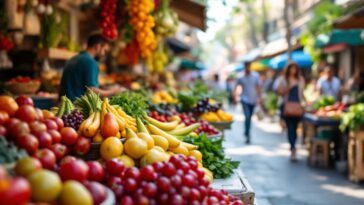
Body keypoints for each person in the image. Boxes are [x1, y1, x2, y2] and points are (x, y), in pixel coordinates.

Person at [60, 34, 124, 101]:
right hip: (77, 107)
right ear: (97, 46)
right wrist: (113, 92)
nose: (103, 54)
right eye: (104, 50)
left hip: (65, 105)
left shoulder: (72, 59)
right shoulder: (91, 62)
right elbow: (92, 90)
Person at [277, 62, 305, 161]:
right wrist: (288, 88)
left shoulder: (300, 80)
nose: (293, 71)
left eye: (295, 69)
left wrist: (305, 103)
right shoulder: (284, 80)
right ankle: (293, 147)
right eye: (291, 69)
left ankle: (293, 145)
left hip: (297, 106)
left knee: (296, 128)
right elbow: (279, 92)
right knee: (290, 128)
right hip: (287, 106)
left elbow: (301, 94)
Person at [234, 61, 261, 144]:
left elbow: (258, 87)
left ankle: (247, 132)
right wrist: (235, 97)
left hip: (253, 100)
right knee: (247, 116)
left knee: (250, 117)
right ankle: (247, 134)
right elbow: (236, 87)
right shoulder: (240, 76)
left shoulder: (255, 76)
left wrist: (259, 98)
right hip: (244, 99)